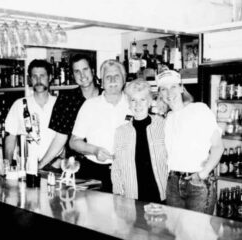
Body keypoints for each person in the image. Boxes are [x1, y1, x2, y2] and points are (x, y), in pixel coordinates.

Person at [156, 70, 224, 214]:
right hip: (173, 183)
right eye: (164, 89)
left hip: (197, 183)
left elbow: (218, 147)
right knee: (177, 232)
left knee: (198, 233)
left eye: (173, 87)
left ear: (181, 88)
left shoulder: (199, 109)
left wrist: (202, 174)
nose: (169, 93)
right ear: (160, 94)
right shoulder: (168, 119)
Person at [69, 59, 132, 193]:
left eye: (117, 76)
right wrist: (95, 150)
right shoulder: (90, 106)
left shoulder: (133, 104)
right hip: (95, 172)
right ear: (102, 82)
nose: (113, 80)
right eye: (108, 77)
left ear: (124, 80)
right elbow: (74, 142)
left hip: (128, 171)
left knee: (126, 212)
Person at [39, 54, 101, 171]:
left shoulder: (106, 97)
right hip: (75, 166)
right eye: (77, 71)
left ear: (92, 70)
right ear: (73, 75)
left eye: (85, 69)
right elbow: (60, 138)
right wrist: (41, 165)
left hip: (103, 163)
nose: (82, 75)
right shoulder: (66, 99)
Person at [111, 79, 168, 203]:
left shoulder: (163, 125)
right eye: (133, 100)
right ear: (129, 103)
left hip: (160, 196)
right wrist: (118, 195)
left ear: (149, 102)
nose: (138, 105)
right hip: (131, 197)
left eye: (142, 99)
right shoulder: (120, 132)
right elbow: (116, 168)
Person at [4, 59, 58, 170]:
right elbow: (10, 139)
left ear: (50, 77)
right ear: (30, 79)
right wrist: (7, 168)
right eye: (34, 76)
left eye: (42, 76)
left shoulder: (59, 104)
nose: (38, 80)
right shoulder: (19, 105)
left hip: (55, 166)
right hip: (27, 166)